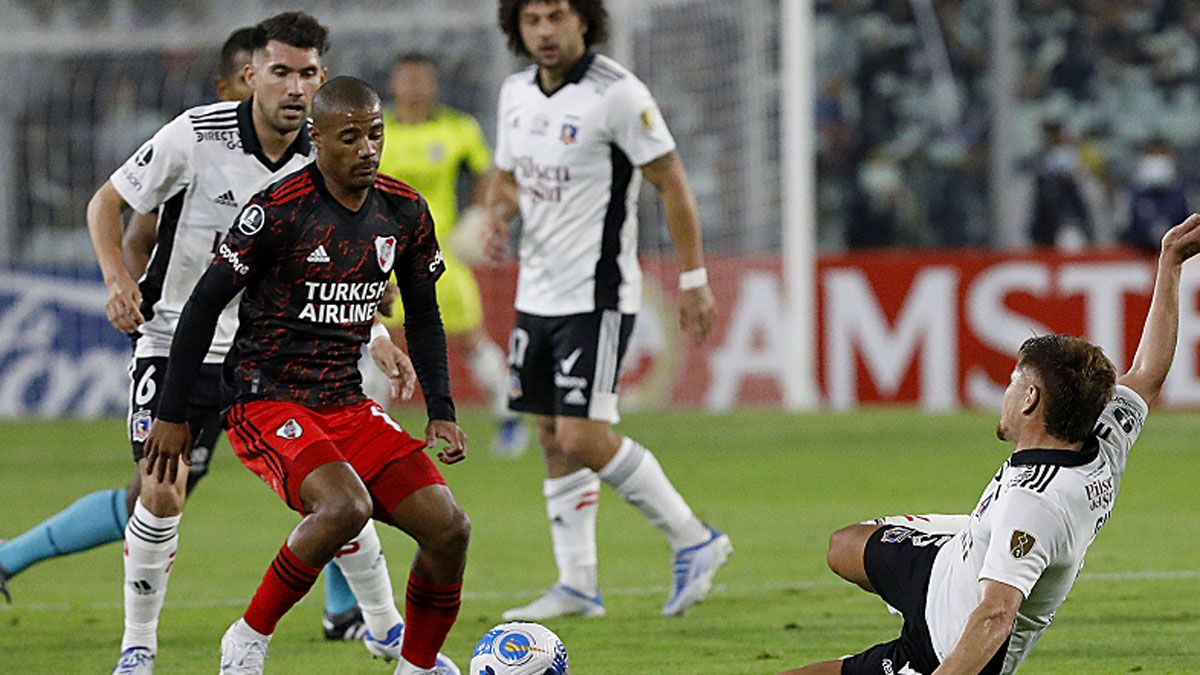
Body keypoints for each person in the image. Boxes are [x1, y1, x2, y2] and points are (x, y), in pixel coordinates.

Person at [78, 14, 413, 673]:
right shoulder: (195, 134)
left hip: (273, 355)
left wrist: (374, 328)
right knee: (162, 491)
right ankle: (138, 645)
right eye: (281, 71)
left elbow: (340, 261)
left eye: (308, 72)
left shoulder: (331, 154)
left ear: (323, 77)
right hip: (175, 340)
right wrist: (118, 278)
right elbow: (105, 204)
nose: (294, 86)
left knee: (335, 492)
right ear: (252, 75)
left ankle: (386, 629)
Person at [143, 75, 469, 675]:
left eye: (376, 134)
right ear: (317, 138)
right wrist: (172, 413)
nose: (368, 148)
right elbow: (202, 305)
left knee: (449, 528)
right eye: (351, 138)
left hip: (344, 402)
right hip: (266, 399)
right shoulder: (278, 211)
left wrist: (442, 408)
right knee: (345, 507)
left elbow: (423, 313)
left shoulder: (403, 212)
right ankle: (247, 636)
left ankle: (417, 667)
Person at [780, 214, 1200, 674]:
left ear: (1030, 400)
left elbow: (996, 615)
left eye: (1013, 381)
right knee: (843, 546)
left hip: (945, 645)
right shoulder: (1102, 435)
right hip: (947, 559)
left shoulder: (1035, 505)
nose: (1005, 392)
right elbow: (1147, 374)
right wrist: (1171, 263)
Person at [485, 0, 731, 620]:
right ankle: (578, 585)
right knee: (551, 435)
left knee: (581, 433)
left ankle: (694, 538)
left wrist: (695, 278)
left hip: (596, 295)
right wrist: (498, 212)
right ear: (516, 26)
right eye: (532, 19)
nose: (545, 31)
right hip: (535, 293)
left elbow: (671, 180)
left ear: (585, 21)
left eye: (557, 16)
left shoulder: (617, 94)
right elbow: (507, 176)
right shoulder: (515, 93)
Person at [0, 30, 255, 612]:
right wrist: (136, 298)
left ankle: (351, 609)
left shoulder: (298, 155)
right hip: (191, 348)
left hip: (262, 345)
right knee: (156, 494)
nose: (269, 90)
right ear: (228, 85)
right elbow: (137, 232)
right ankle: (11, 559)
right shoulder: (197, 148)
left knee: (326, 466)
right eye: (251, 76)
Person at [373, 52, 529, 457]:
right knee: (379, 338)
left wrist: (479, 217)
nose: (414, 88)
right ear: (394, 85)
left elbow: (487, 175)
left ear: (433, 85)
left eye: (422, 80)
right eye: (407, 80)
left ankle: (510, 414)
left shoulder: (458, 129)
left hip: (438, 254)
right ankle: (371, 426)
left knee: (469, 337)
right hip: (384, 255)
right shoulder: (377, 129)